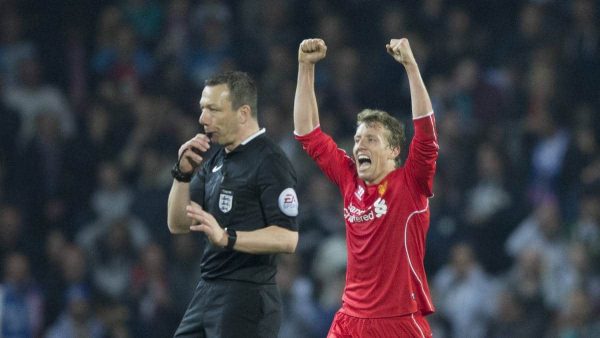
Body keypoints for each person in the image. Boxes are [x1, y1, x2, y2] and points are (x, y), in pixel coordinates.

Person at [294, 38, 438, 337]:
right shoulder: (350, 179)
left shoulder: (411, 183)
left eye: (371, 139)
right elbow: (307, 133)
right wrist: (305, 68)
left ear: (394, 150)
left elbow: (425, 135)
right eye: (358, 138)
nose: (360, 144)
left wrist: (411, 67)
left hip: (398, 321)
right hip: (350, 319)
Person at [167, 71, 299, 338]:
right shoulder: (218, 159)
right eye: (203, 108)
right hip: (208, 290)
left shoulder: (270, 161)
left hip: (247, 295)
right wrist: (182, 175)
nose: (203, 118)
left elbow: (288, 238)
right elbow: (178, 223)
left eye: (213, 109)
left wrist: (227, 238)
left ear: (243, 113)